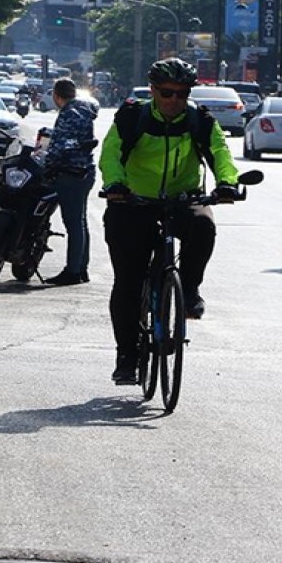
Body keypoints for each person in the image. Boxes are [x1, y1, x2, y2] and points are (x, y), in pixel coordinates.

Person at [99, 57, 239, 385]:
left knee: (203, 224)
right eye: (166, 92)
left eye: (181, 93)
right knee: (128, 282)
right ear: (153, 91)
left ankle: (188, 290)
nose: (174, 99)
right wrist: (116, 185)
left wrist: (227, 183)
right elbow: (110, 153)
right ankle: (127, 357)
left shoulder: (199, 120)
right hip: (132, 202)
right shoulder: (133, 116)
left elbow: (221, 152)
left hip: (181, 199)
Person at [42, 78, 99, 286]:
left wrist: (47, 165)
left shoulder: (68, 114)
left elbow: (60, 145)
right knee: (80, 222)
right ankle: (82, 268)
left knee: (73, 224)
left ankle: (73, 271)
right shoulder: (85, 109)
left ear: (57, 96)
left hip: (70, 173)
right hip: (85, 171)